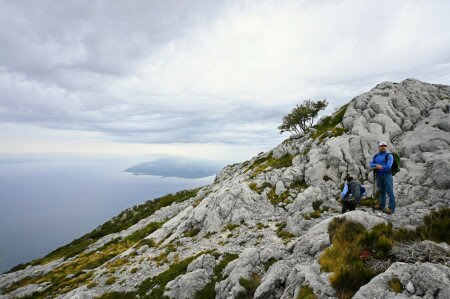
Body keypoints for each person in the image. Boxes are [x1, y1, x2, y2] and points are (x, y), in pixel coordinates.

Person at [370, 141, 396, 214]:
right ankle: (381, 205)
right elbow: (371, 164)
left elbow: (388, 166)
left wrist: (379, 167)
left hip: (387, 175)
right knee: (382, 191)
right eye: (381, 146)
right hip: (379, 175)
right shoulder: (376, 156)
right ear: (379, 147)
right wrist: (376, 166)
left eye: (384, 145)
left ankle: (391, 208)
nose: (383, 147)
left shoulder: (389, 155)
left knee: (390, 192)